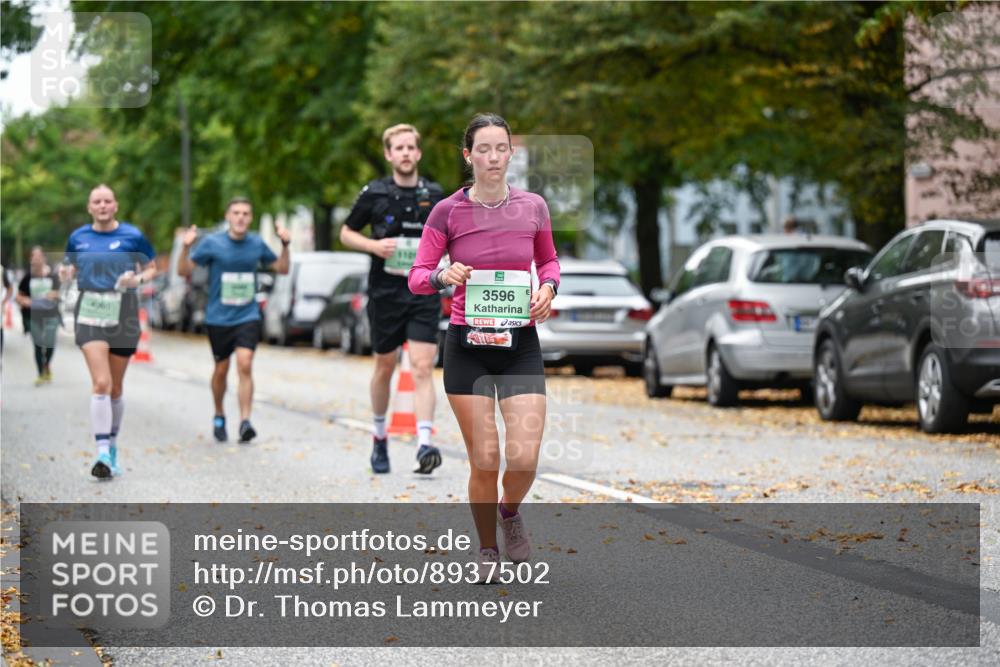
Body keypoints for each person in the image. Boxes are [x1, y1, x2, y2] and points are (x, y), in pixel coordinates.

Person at [408, 113, 559, 581]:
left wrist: (548, 291)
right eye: (484, 149)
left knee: (524, 458)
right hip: (466, 346)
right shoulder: (447, 212)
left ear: (511, 153)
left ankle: (509, 511)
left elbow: (549, 262)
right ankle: (488, 548)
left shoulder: (533, 206)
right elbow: (418, 276)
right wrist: (441, 276)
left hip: (520, 345)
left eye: (501, 148)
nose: (493, 157)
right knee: (486, 459)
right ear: (468, 155)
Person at [340, 124, 445, 475]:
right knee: (385, 365)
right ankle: (380, 435)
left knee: (422, 366)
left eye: (410, 147)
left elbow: (449, 235)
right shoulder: (375, 193)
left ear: (418, 153)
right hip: (385, 292)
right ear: (388, 154)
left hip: (423, 291)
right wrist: (372, 246)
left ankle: (425, 444)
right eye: (398, 148)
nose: (404, 153)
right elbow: (345, 231)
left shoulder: (434, 193)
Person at [61, 184, 156, 479]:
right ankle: (102, 452)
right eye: (96, 202)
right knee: (101, 383)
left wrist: (137, 279)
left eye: (107, 201)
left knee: (115, 387)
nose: (102, 205)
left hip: (124, 313)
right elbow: (69, 269)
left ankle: (112, 446)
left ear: (115, 206)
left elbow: (152, 268)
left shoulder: (132, 235)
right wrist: (65, 274)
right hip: (90, 312)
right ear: (89, 207)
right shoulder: (78, 238)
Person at [178, 197, 290, 443]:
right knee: (221, 369)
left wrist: (285, 245)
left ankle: (245, 422)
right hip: (219, 317)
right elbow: (183, 271)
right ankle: (219, 414)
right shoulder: (212, 243)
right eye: (236, 213)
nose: (241, 217)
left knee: (245, 363)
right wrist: (186, 248)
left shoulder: (257, 243)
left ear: (250, 218)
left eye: (246, 213)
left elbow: (282, 268)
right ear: (228, 216)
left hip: (247, 315)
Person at [16, 246, 61, 385]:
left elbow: (61, 292)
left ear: (44, 258)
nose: (36, 259)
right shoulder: (27, 277)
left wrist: (55, 294)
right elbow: (18, 296)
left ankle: (46, 364)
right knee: (37, 345)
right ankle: (41, 373)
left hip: (51, 315)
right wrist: (24, 301)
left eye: (38, 256)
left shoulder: (53, 276)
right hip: (32, 316)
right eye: (33, 257)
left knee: (50, 344)